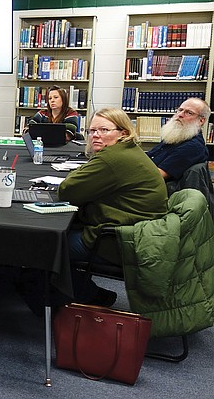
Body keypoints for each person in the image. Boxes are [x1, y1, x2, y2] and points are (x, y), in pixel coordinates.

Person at [58, 107, 168, 306]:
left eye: (104, 130)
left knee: (47, 244)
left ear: (123, 132)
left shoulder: (112, 159)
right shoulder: (128, 150)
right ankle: (88, 293)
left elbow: (67, 191)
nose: (96, 136)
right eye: (92, 131)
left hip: (119, 240)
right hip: (142, 234)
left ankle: (66, 299)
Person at [147, 97, 210, 181]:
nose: (180, 114)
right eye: (180, 110)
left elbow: (158, 175)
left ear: (201, 121)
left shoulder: (193, 147)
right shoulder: (177, 137)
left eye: (189, 113)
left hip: (156, 189)